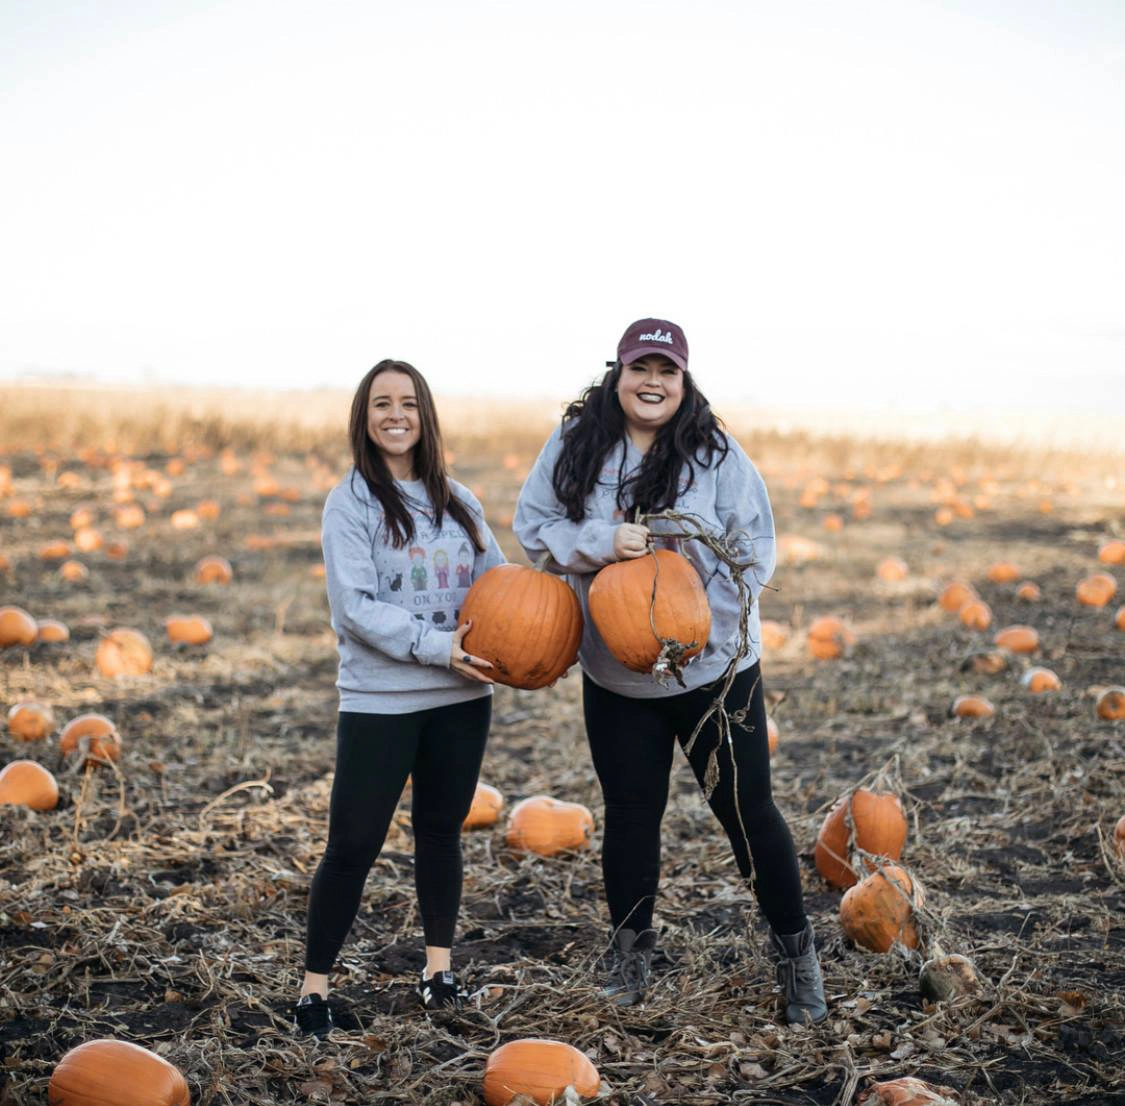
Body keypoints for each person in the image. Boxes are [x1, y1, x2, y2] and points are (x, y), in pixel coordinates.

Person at [512, 319, 827, 1024]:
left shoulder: (713, 450)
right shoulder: (574, 445)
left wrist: (695, 614)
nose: (652, 383)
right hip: (616, 672)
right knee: (629, 815)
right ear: (617, 374)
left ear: (683, 381)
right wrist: (597, 542)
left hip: (712, 670)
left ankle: (796, 958)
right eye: (639, 369)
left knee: (747, 813)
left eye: (666, 371)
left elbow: (756, 548)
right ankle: (629, 956)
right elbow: (532, 526)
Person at [294, 359, 504, 1038]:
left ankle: (437, 972)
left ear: (424, 416)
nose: (395, 415)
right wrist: (440, 647)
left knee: (440, 835)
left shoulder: (460, 501)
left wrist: (539, 639)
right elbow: (354, 609)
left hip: (459, 699)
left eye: (407, 403)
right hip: (381, 701)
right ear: (364, 417)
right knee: (352, 843)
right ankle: (313, 987)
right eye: (381, 403)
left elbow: (499, 584)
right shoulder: (350, 503)